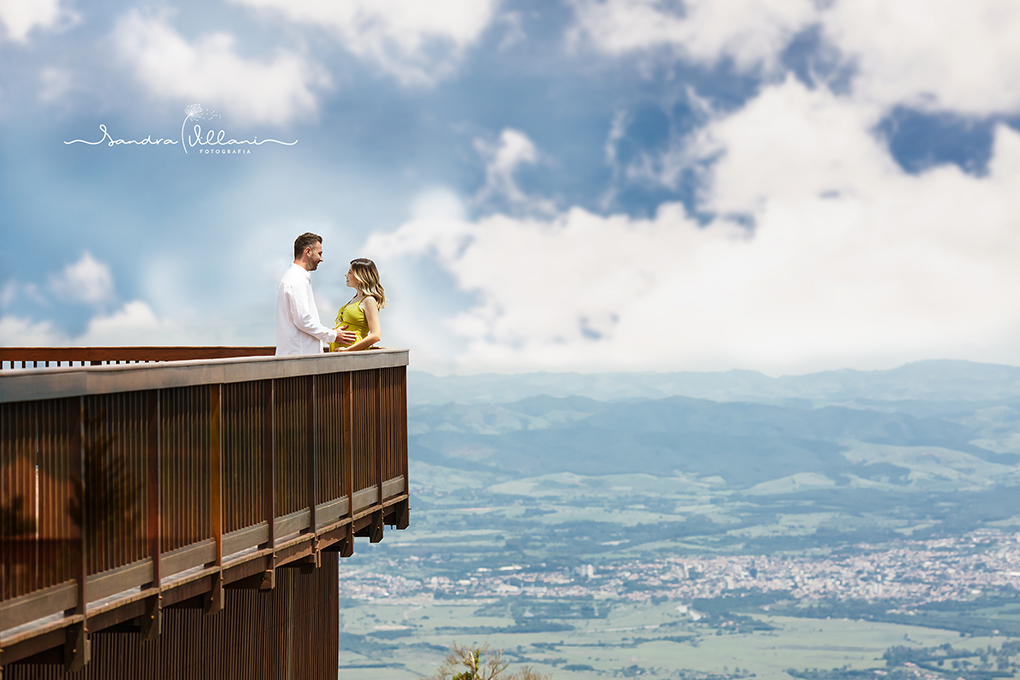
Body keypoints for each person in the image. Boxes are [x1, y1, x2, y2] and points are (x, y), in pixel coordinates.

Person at [275, 233, 356, 356]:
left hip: (298, 356)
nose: (321, 259)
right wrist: (333, 335)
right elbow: (303, 320)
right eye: (319, 253)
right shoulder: (296, 279)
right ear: (308, 251)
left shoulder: (295, 277)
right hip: (299, 358)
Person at [330, 258, 386, 352]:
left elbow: (376, 335)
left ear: (360, 277)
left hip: (352, 356)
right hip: (340, 354)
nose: (346, 275)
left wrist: (348, 350)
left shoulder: (369, 300)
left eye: (350, 272)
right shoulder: (355, 298)